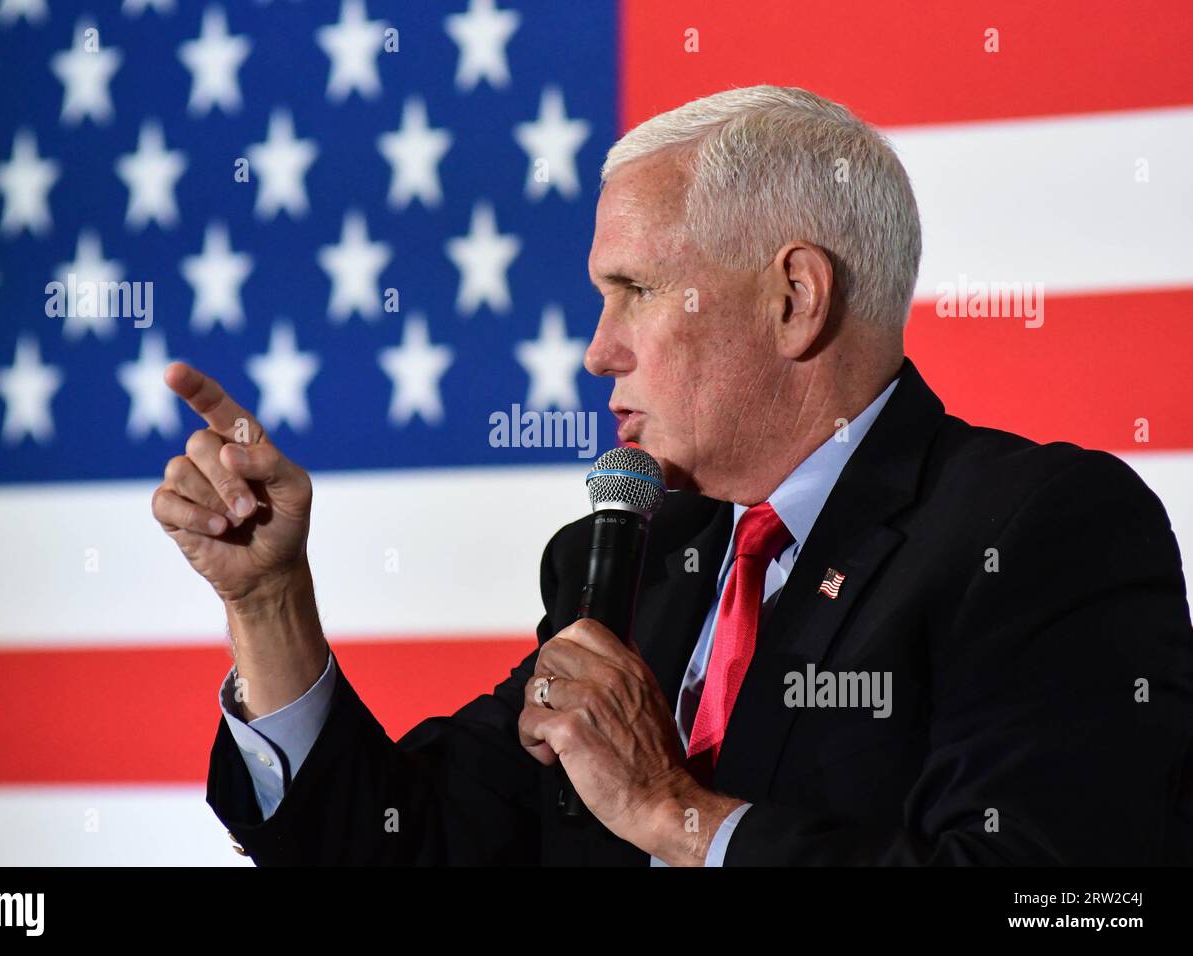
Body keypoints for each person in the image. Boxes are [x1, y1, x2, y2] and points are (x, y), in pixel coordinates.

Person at [152, 85, 1193, 865]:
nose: (598, 350)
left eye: (635, 290)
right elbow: (394, 845)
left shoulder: (1036, 530)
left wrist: (674, 809)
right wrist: (270, 599)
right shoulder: (628, 557)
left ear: (794, 296)